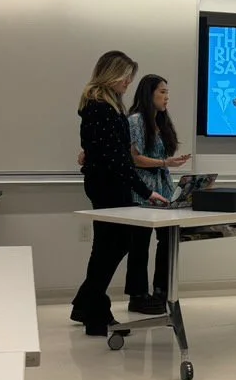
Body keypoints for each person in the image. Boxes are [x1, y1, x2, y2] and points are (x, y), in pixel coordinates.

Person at [71, 51, 168, 336]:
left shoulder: (106, 105)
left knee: (109, 245)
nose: (129, 83)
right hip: (108, 185)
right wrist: (145, 190)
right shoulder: (100, 107)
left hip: (108, 182)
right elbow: (117, 159)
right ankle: (94, 312)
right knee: (112, 245)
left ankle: (86, 306)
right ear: (113, 74)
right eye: (126, 77)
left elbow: (105, 150)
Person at [126, 75, 190, 315]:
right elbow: (133, 157)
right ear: (149, 94)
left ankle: (162, 290)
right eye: (162, 92)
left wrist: (170, 162)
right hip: (142, 189)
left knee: (168, 240)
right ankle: (138, 295)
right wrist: (165, 162)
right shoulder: (135, 121)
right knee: (139, 244)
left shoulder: (160, 121)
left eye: (167, 92)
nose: (166, 97)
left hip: (163, 189)